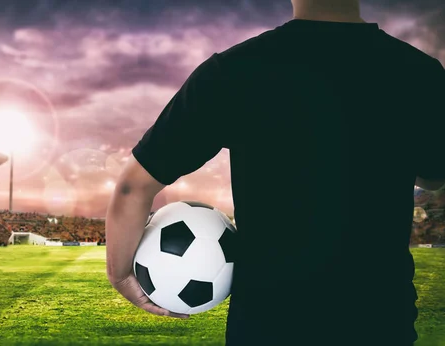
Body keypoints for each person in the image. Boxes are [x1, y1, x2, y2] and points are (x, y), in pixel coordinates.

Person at [105, 0, 445, 345]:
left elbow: (134, 187)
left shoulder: (232, 71)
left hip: (267, 325)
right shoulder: (422, 74)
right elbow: (433, 175)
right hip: (380, 323)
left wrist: (119, 273)